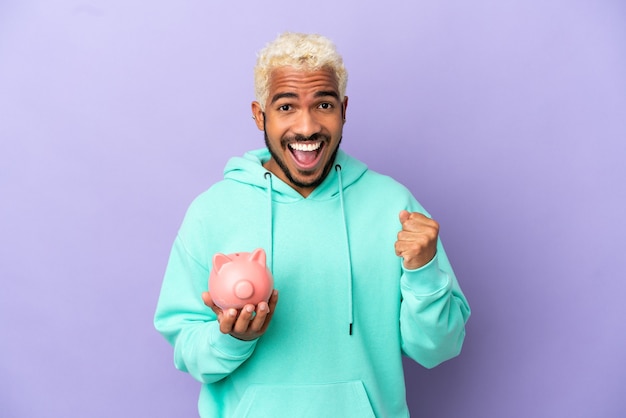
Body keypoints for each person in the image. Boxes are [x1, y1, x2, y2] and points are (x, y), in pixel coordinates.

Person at [154, 32, 470, 418]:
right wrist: (231, 339)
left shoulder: (394, 206)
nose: (307, 128)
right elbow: (189, 353)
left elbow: (438, 348)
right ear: (259, 115)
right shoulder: (212, 211)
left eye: (323, 104)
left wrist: (423, 271)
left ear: (344, 109)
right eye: (286, 107)